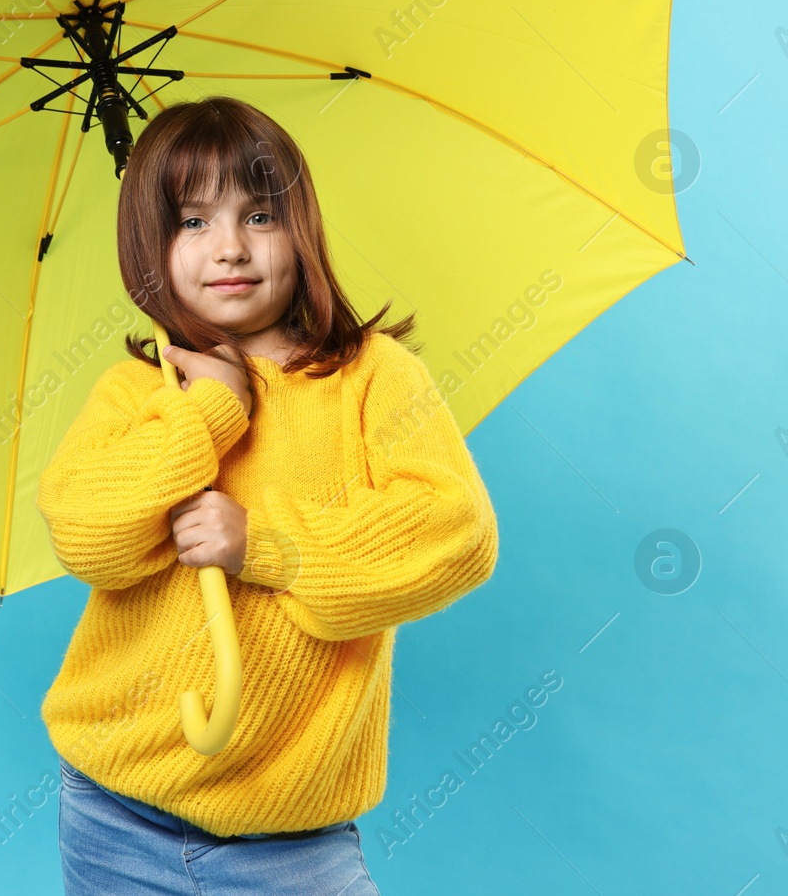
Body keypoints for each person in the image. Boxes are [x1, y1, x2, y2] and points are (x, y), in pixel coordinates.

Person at [36, 95, 499, 894]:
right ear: (151, 247)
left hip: (293, 841)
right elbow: (85, 531)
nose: (229, 248)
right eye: (191, 222)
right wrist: (212, 412)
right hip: (115, 814)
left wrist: (264, 545)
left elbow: (455, 531)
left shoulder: (373, 378)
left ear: (302, 231)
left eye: (258, 216)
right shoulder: (139, 392)